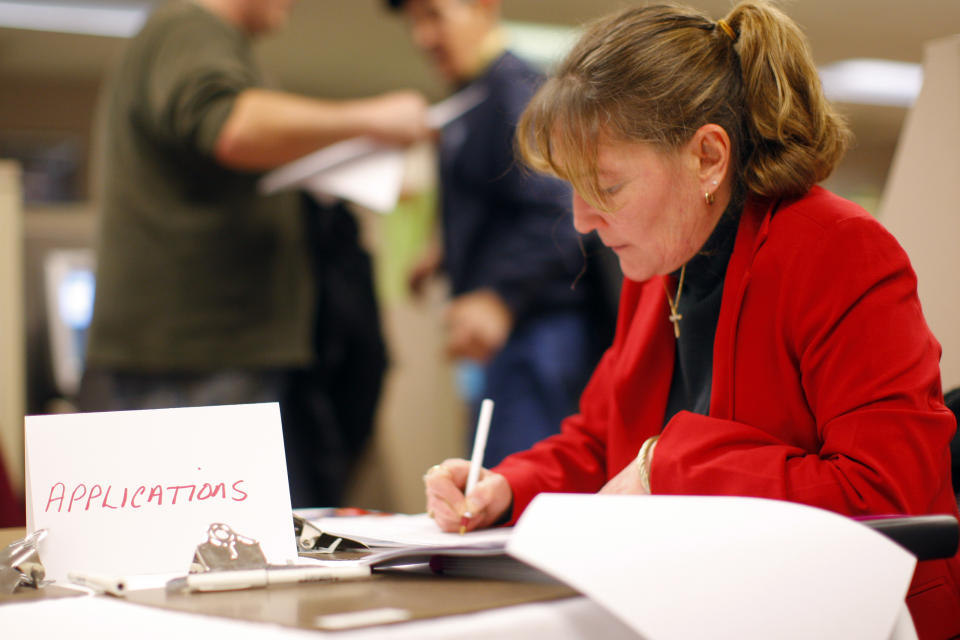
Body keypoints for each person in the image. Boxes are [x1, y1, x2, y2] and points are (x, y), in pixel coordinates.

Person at [422, 3, 960, 637]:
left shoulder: (838, 250)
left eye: (607, 186)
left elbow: (885, 496)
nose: (581, 223)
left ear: (708, 156)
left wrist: (668, 465)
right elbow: (601, 441)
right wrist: (507, 486)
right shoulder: (663, 264)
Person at [79, 0, 430, 508]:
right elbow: (231, 127)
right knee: (215, 556)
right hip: (197, 361)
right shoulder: (191, 28)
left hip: (200, 359)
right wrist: (369, 119)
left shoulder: (199, 38)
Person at [386, 0, 614, 467]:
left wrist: (498, 296)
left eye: (433, 15)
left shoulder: (514, 92)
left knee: (523, 493)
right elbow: (503, 201)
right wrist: (443, 252)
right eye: (413, 22)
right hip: (518, 334)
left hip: (540, 330)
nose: (422, 37)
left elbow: (557, 210)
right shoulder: (478, 98)